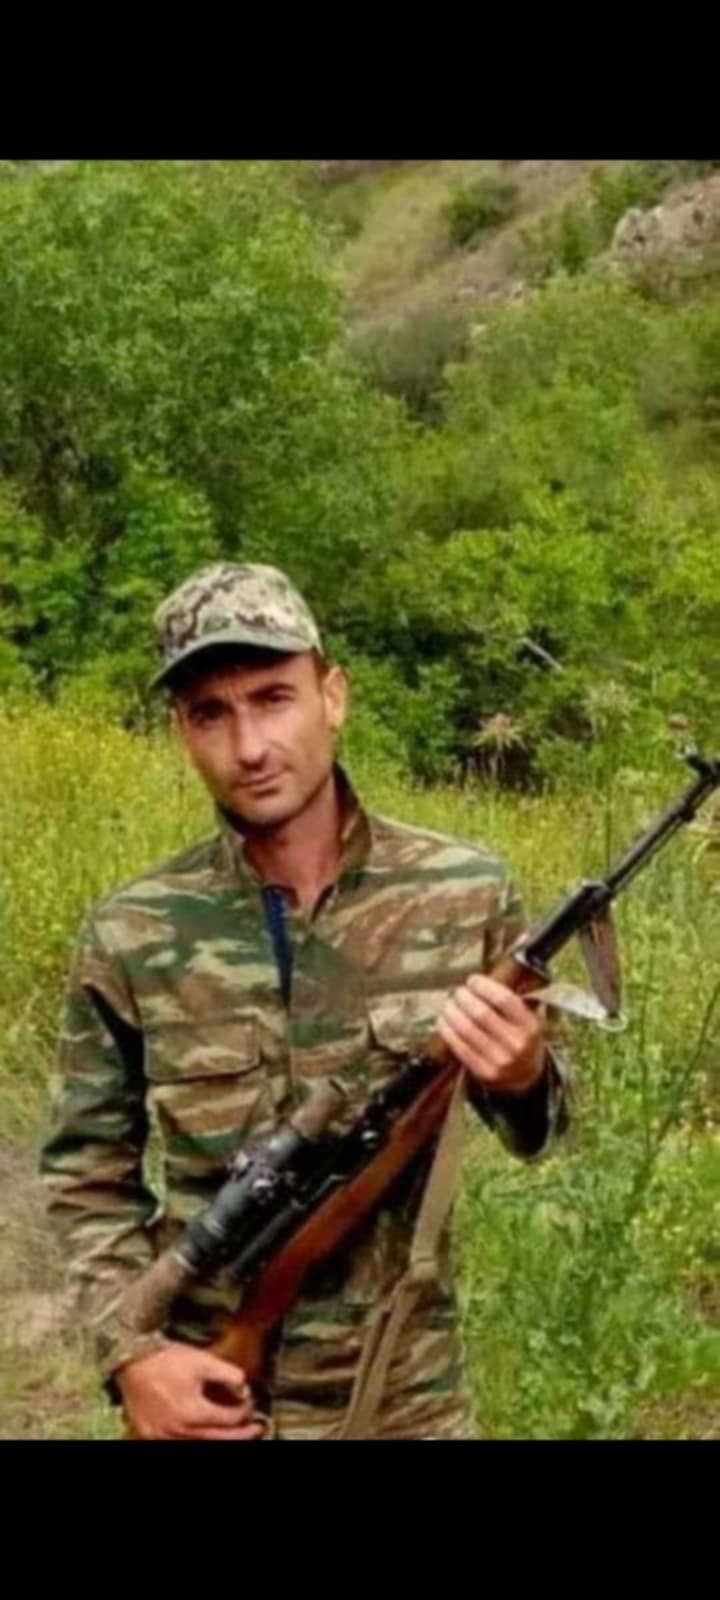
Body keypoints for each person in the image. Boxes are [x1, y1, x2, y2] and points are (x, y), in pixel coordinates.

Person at [40, 562, 568, 1441]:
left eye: (273, 698)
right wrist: (131, 1358)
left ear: (333, 696)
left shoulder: (465, 892)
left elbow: (544, 1130)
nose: (249, 746)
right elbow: (84, 1170)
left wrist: (523, 1076)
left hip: (408, 1401)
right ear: (181, 733)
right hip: (207, 1404)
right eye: (211, 713)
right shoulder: (132, 929)